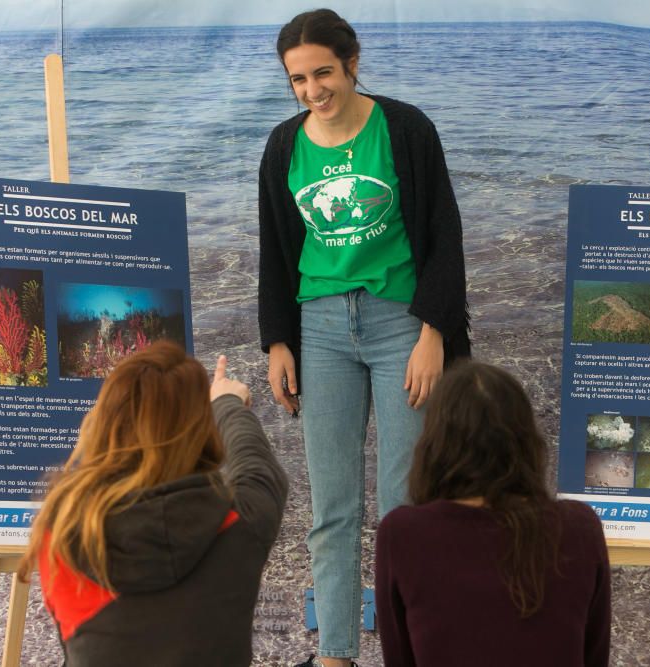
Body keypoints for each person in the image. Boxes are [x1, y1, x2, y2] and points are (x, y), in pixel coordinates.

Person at [257, 8, 470, 667]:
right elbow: (275, 250)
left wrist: (435, 329)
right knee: (334, 506)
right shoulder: (283, 146)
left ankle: (409, 651)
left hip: (399, 322)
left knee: (406, 506)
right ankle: (337, 655)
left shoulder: (405, 129)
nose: (313, 89)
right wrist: (277, 342)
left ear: (352, 62)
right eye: (298, 79)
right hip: (319, 328)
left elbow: (444, 232)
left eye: (323, 72)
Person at [18, 341, 288, 666]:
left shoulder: (60, 533)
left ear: (104, 422)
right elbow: (258, 467)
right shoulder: (241, 524)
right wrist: (227, 404)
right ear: (201, 432)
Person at [375, 361, 611, 667]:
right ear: (525, 440)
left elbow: (399, 657)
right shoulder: (579, 527)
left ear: (435, 444)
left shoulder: (403, 533)